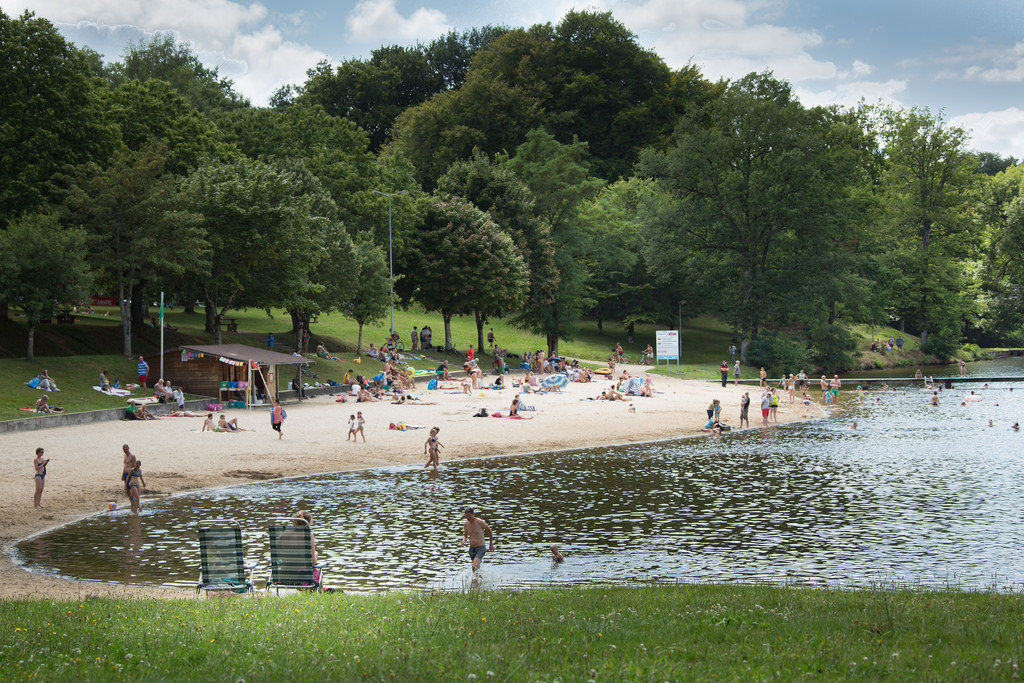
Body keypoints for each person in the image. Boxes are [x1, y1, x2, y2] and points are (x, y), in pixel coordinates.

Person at [461, 507, 494, 573]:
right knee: (476, 569)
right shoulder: (466, 524)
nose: (467, 518)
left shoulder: (480, 522)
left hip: (480, 548)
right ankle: (480, 578)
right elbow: (465, 535)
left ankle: (476, 579)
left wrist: (491, 544)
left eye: (469, 516)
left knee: (474, 566)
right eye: (466, 516)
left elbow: (489, 531)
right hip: (472, 549)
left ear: (473, 514)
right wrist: (463, 541)